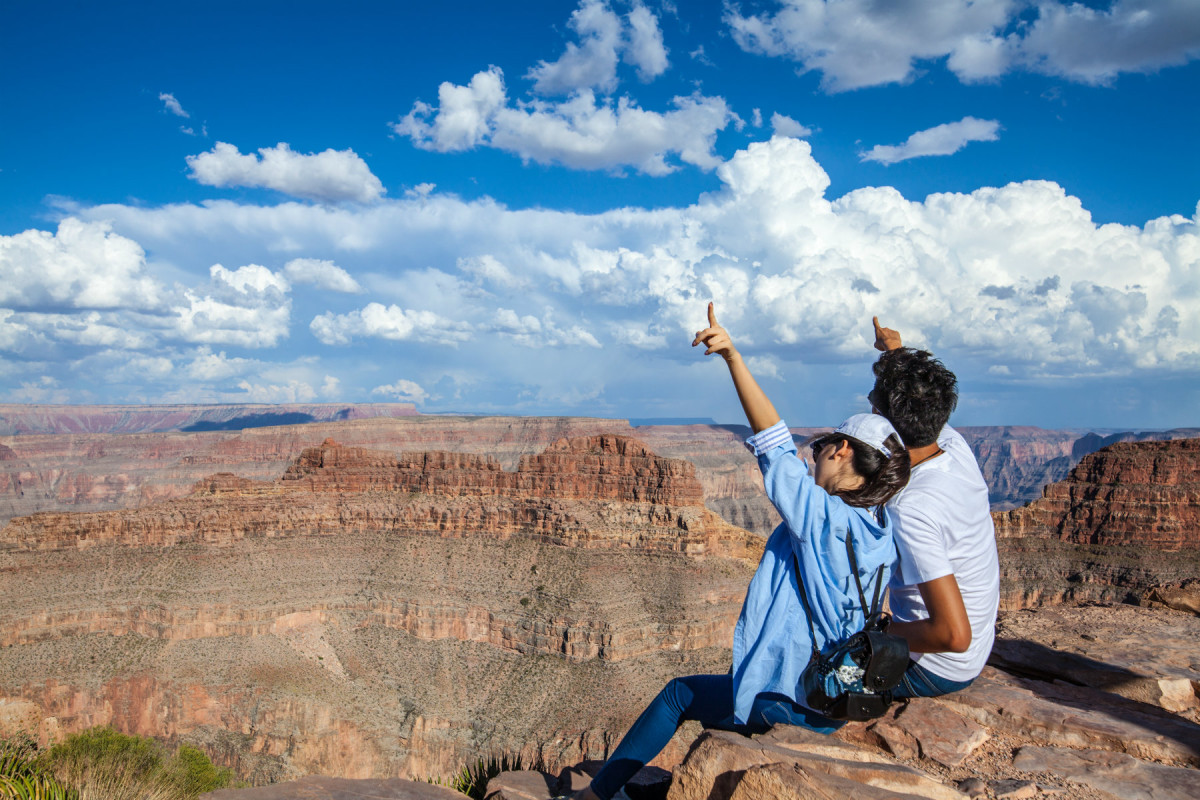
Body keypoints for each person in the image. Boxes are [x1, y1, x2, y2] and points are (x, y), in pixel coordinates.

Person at [559, 304, 912, 800]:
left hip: (789, 701)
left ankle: (595, 797)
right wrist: (896, 358)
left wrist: (733, 358)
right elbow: (892, 442)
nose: (812, 458)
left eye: (820, 448)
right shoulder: (879, 522)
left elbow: (774, 445)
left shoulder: (822, 519)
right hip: (835, 697)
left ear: (842, 452)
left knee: (679, 694)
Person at [868, 317, 1000, 699]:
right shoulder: (955, 451)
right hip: (974, 653)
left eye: (874, 407)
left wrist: (874, 634)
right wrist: (895, 351)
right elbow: (918, 406)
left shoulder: (910, 505)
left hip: (935, 666)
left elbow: (952, 634)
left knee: (800, 678)